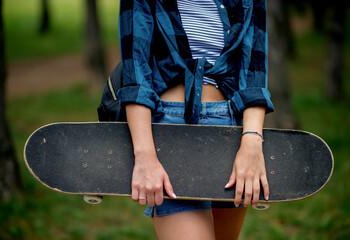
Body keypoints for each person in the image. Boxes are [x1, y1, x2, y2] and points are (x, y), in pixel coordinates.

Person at [117, 0, 274, 239]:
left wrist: (252, 142)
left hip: (232, 134)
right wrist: (145, 155)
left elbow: (254, 70)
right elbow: (135, 73)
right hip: (172, 130)